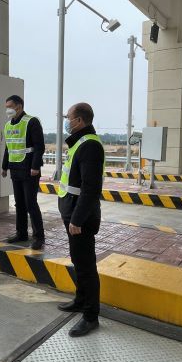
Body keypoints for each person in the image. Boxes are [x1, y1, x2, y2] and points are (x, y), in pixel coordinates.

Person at [56, 103, 105, 337]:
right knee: (78, 261)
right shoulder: (80, 142)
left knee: (86, 266)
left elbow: (91, 188)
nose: (67, 121)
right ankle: (80, 300)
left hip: (81, 217)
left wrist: (76, 219)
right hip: (73, 212)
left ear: (79, 121)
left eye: (69, 117)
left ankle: (90, 316)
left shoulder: (90, 146)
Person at [2, 95, 46, 250]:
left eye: (9, 106)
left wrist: (35, 166)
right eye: (6, 107)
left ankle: (39, 237)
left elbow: (39, 146)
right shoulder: (8, 125)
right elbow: (8, 147)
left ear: (19, 106)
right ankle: (21, 233)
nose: (7, 110)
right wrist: (4, 166)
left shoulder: (32, 121)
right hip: (15, 168)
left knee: (30, 203)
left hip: (29, 169)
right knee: (19, 203)